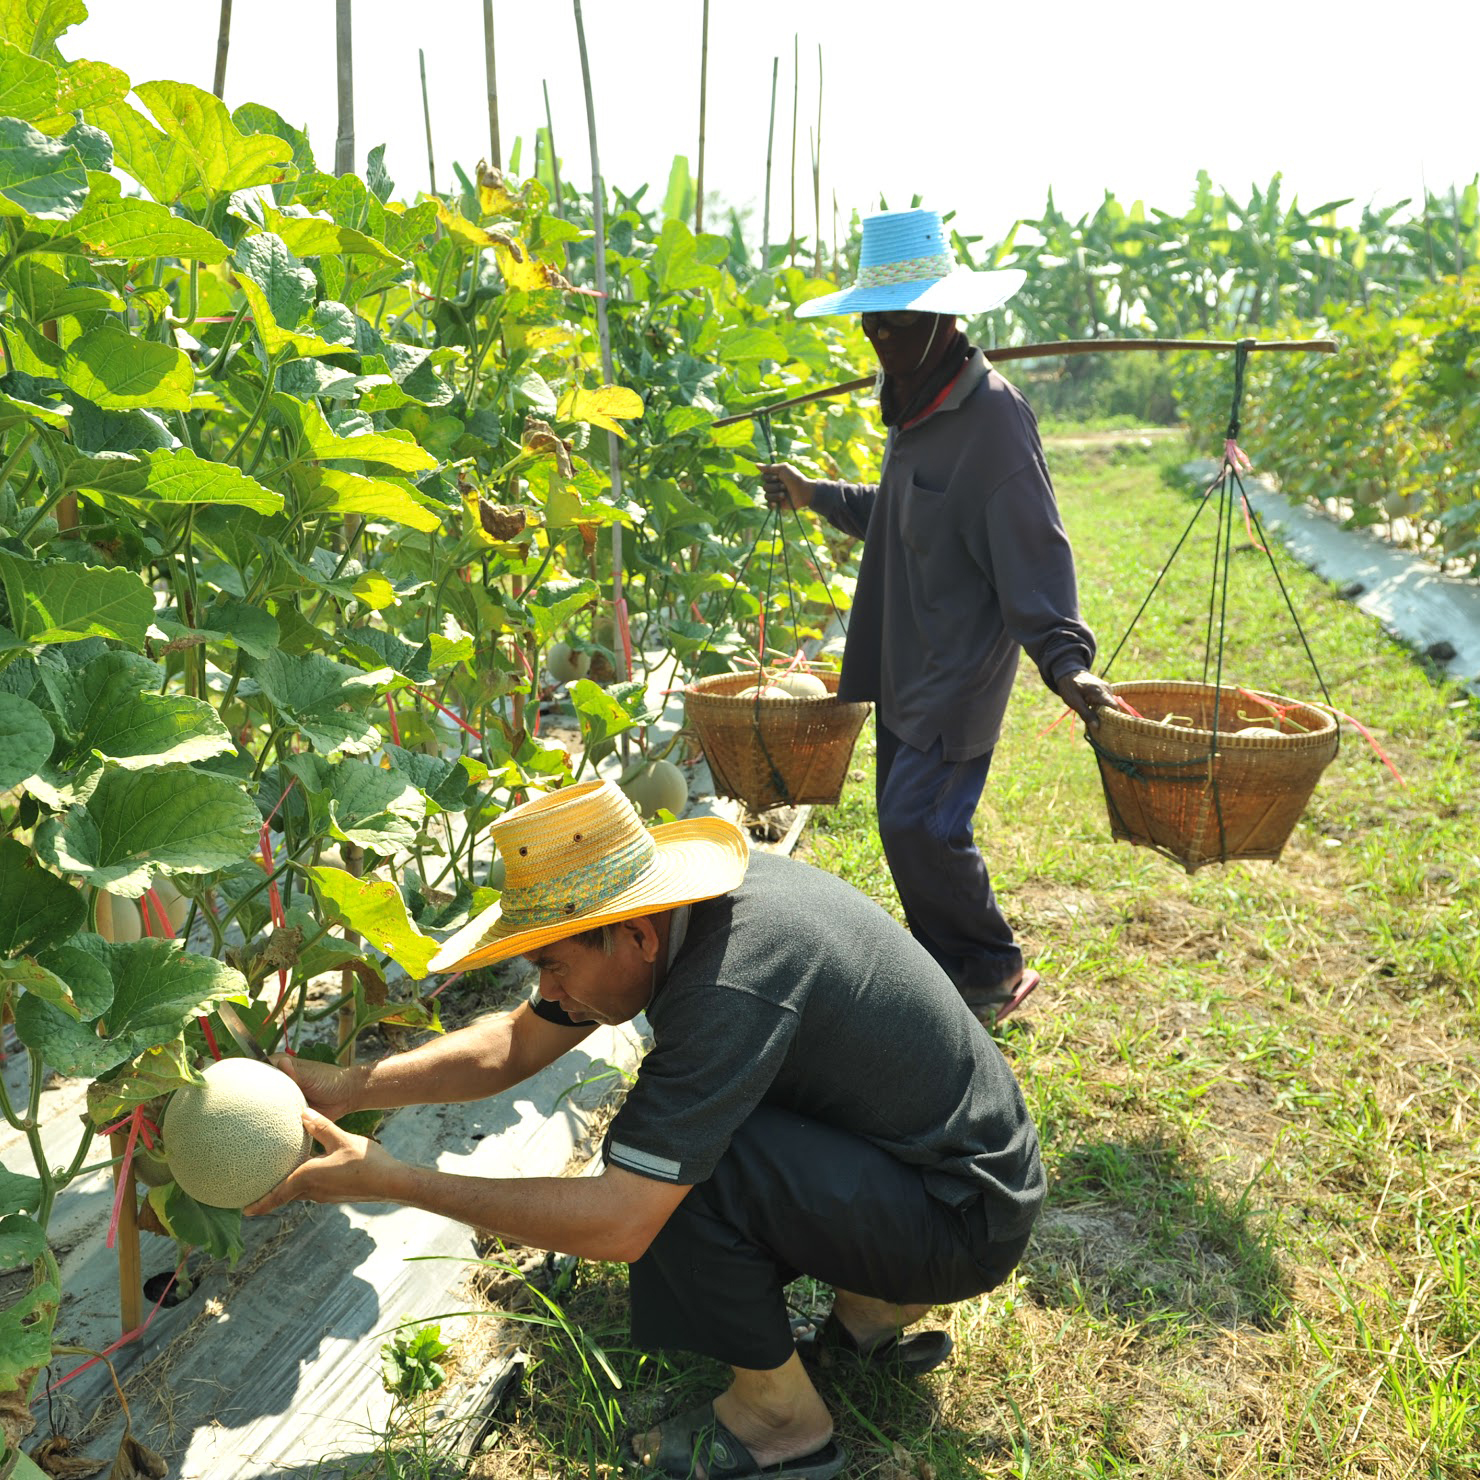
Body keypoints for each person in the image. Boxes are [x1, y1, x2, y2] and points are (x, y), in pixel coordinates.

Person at [247, 779, 1045, 1480]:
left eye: (554, 966)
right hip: (950, 1177)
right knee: (686, 1133)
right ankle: (867, 1313)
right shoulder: (688, 918)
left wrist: (397, 1181)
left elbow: (624, 1221)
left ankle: (783, 1424)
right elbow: (516, 1042)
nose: (550, 990)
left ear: (633, 936)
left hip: (961, 1217)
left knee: (679, 1167)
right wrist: (349, 1089)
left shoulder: (733, 982)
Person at [760, 207, 1121, 1027]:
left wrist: (1067, 662)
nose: (878, 343)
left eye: (896, 327)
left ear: (943, 320)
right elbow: (905, 512)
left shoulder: (993, 419)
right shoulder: (914, 403)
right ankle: (949, 968)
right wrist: (817, 495)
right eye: (871, 328)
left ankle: (990, 968)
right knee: (904, 827)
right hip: (904, 656)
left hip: (959, 665)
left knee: (921, 824)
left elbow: (1034, 545)